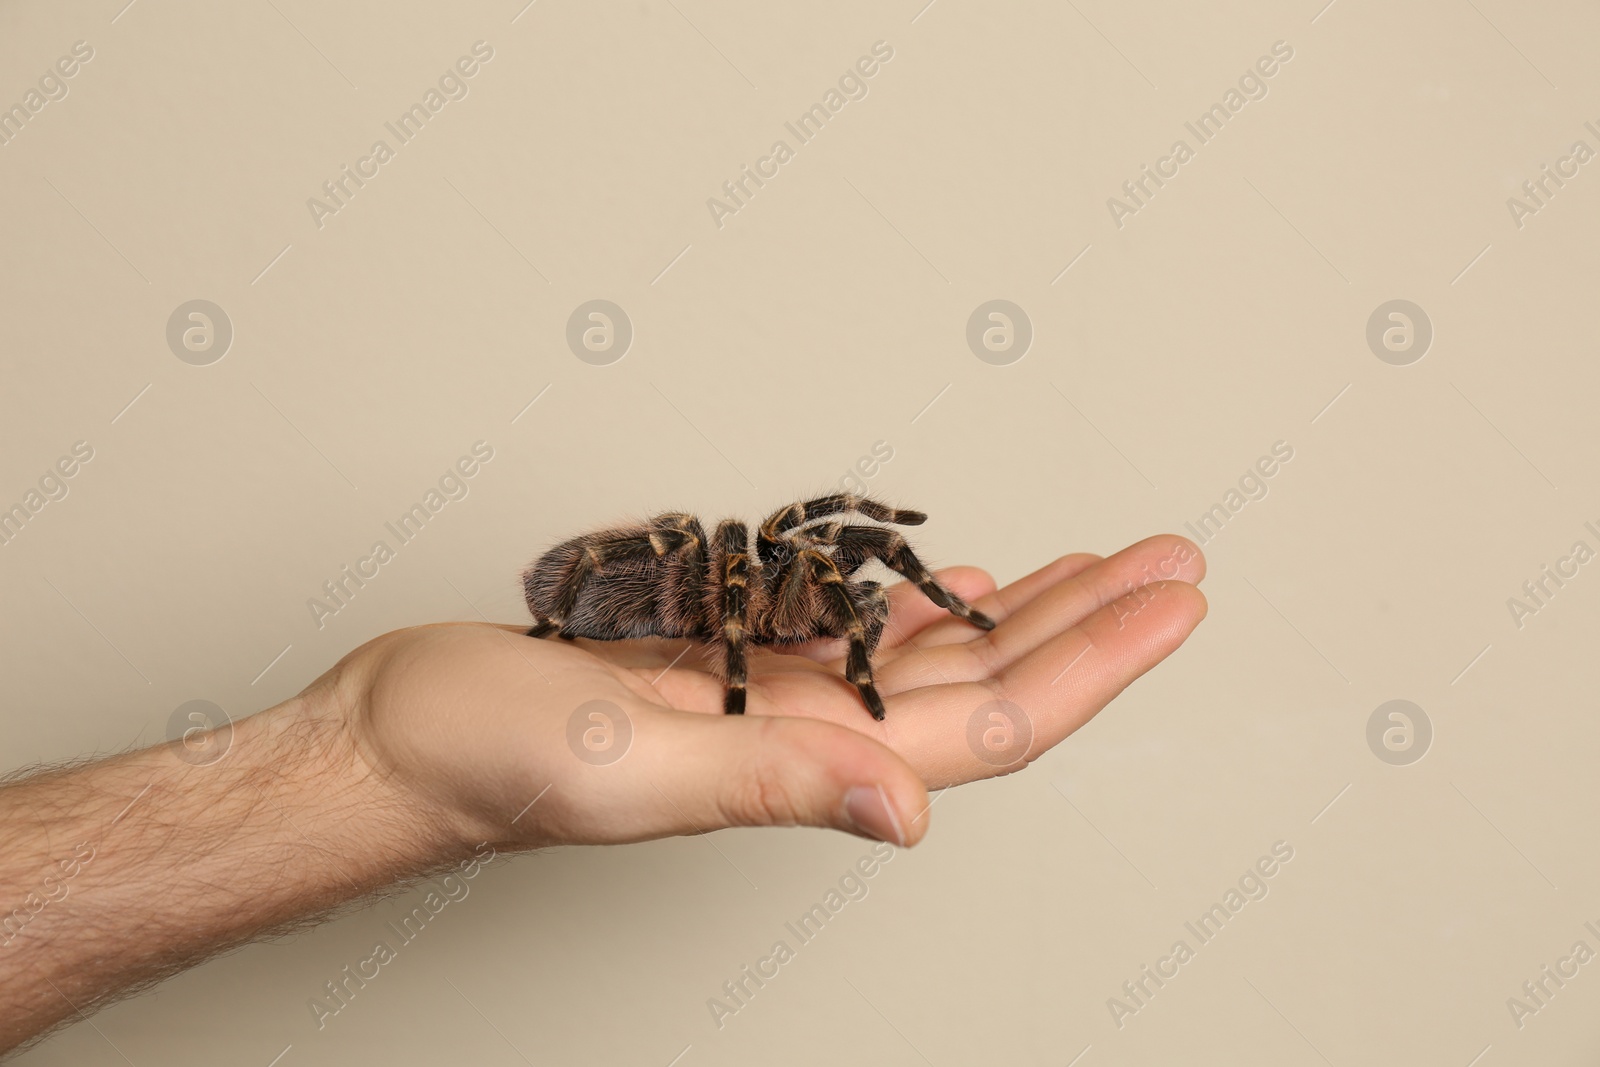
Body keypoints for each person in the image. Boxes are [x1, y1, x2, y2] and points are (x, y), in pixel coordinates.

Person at [0, 535, 1205, 1053]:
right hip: (635, 602)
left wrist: (366, 760)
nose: (842, 562)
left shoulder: (808, 570)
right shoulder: (715, 578)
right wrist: (364, 755)